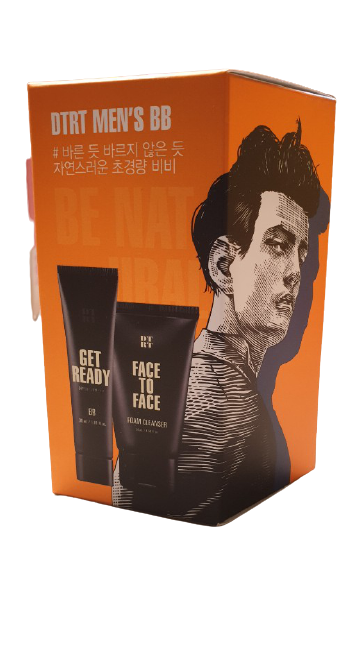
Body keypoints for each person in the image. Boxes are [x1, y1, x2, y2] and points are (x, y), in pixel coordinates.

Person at [113, 121, 323, 524]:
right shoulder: (227, 405)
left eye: (301, 254)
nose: (295, 272)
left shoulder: (198, 380)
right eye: (278, 245)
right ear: (224, 266)